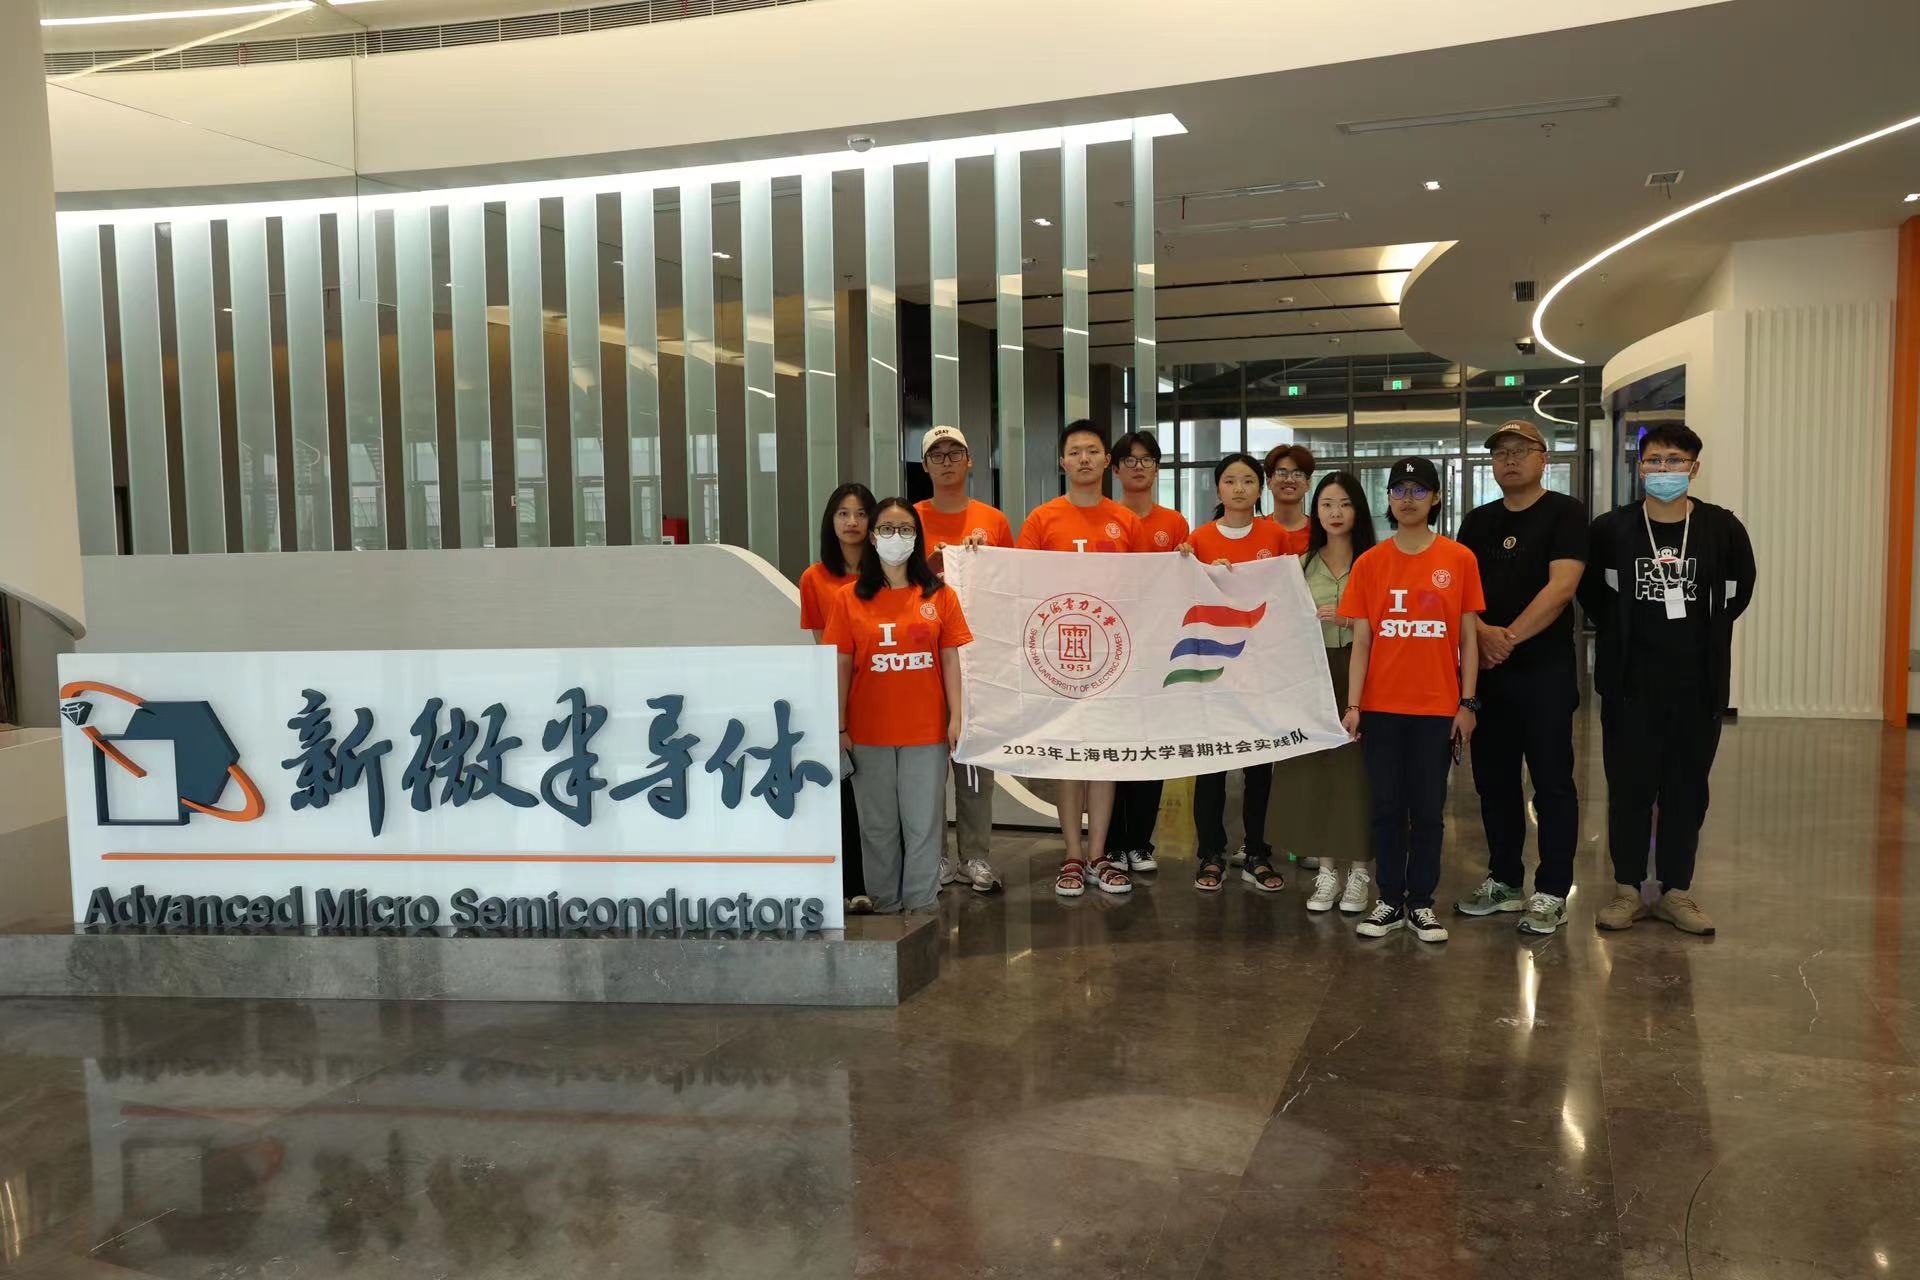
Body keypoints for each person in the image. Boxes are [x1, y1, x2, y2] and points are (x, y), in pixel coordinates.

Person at [1580, 423, 1754, 937]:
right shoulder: (1612, 528)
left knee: (1687, 790)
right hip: (1630, 684)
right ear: (1640, 467)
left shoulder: (1721, 527)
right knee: (1629, 788)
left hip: (1697, 685)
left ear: (1693, 468)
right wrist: (1621, 631)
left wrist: (1707, 630)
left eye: (1675, 461)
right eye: (1654, 460)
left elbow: (1741, 587)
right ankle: (1627, 890)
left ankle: (1677, 890)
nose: (1664, 470)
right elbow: (1591, 592)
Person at [1339, 456, 1484, 944]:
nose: (1407, 499)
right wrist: (1354, 706)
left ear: (1436, 498)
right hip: (1381, 708)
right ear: (1388, 498)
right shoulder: (1370, 562)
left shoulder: (1458, 559)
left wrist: (1467, 704)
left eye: (1418, 490)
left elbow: (1468, 639)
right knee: (1385, 807)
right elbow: (1362, 641)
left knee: (1426, 811)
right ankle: (1388, 900)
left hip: (1436, 709)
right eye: (1398, 489)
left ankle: (1421, 903)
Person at [1453, 422, 1588, 935]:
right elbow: (1460, 596)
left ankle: (1552, 890)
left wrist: (1504, 638)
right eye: (1500, 453)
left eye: (1521, 451)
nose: (1509, 459)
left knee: (1551, 783)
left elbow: (1561, 588)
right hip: (1488, 677)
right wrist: (1481, 634)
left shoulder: (1565, 513)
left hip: (1544, 672)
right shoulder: (1477, 521)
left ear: (1543, 458)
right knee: (1494, 783)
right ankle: (1505, 880)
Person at [823, 499, 972, 914]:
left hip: (926, 731)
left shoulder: (940, 595)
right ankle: (885, 904)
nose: (896, 537)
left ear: (917, 538)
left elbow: (950, 659)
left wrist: (957, 717)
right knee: (877, 826)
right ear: (873, 538)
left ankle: (922, 905)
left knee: (923, 824)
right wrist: (838, 726)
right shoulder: (849, 598)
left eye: (905, 529)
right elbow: (840, 665)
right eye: (886, 529)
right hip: (868, 732)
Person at [1018, 419, 1143, 897]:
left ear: (1107, 461)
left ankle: (1098, 854)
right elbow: (1019, 580)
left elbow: (1145, 585)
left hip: (1112, 655)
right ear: (1062, 462)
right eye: (1075, 451)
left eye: (1093, 450)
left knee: (1103, 756)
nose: (1084, 458)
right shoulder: (1041, 519)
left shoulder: (1125, 521)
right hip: (1061, 655)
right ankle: (1072, 853)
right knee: (1068, 755)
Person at [1265, 471, 1375, 914]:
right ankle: (1327, 871)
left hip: (1364, 671)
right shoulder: (1300, 564)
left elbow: (1390, 621)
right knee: (1317, 770)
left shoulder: (1375, 561)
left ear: (1358, 510)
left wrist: (1350, 620)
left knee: (1360, 773)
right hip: (1313, 675)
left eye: (1344, 504)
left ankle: (1360, 872)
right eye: (1327, 504)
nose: (1335, 513)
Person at [1178, 453, 1286, 894]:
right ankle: (1210, 853)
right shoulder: (1198, 539)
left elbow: (1286, 597)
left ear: (1260, 488)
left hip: (1261, 668)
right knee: (1212, 766)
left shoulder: (1276, 536)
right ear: (1217, 488)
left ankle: (1258, 851)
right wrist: (1192, 568)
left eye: (1247, 480)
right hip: (1214, 669)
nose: (1239, 488)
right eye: (1230, 480)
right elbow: (1183, 599)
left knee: (1260, 767)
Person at [913, 425, 1009, 895]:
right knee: (928, 766)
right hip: (920, 659)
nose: (947, 461)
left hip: (976, 657)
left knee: (973, 763)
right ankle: (934, 857)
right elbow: (893, 581)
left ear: (970, 461)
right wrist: (932, 564)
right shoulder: (910, 519)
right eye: (937, 454)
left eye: (956, 453)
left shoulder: (993, 520)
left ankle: (975, 855)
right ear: (925, 465)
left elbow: (1010, 586)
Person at [1108, 429, 1189, 875]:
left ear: (1157, 468)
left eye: (1147, 460)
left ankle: (1140, 842)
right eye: (1130, 460)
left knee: (1151, 744)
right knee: (1113, 744)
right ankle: (1111, 843)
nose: (1138, 467)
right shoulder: (1104, 516)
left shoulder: (1173, 523)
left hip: (1157, 648)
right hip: (1110, 647)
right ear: (1115, 468)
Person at [800, 483, 876, 915]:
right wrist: (836, 709)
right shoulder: (814, 578)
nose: (852, 522)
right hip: (839, 697)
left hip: (884, 693)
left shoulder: (887, 573)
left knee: (880, 796)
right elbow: (822, 647)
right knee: (845, 794)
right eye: (843, 514)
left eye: (861, 514)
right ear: (831, 521)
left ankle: (883, 881)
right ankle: (851, 885)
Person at [1262, 443, 1316, 558]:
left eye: (1298, 474)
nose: (1289, 479)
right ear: (1268, 481)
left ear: (1308, 483)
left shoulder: (1320, 532)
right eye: (1282, 473)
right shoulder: (1256, 530)